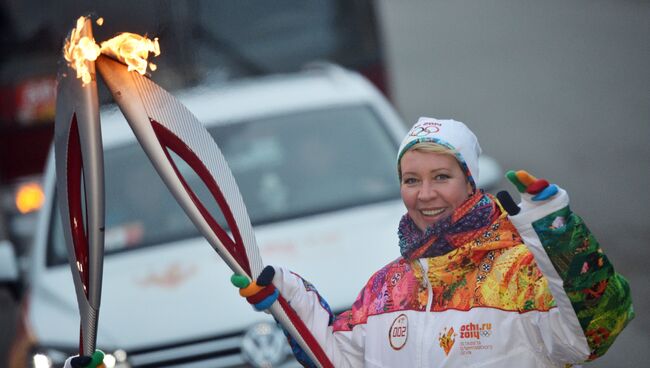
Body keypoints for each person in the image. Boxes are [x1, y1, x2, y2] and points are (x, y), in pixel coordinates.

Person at [65, 117, 634, 368]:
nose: (426, 194)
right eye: (412, 179)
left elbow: (598, 329)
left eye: (442, 177)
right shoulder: (387, 288)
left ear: (470, 180)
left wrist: (557, 230)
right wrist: (283, 297)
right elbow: (338, 360)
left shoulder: (520, 270)